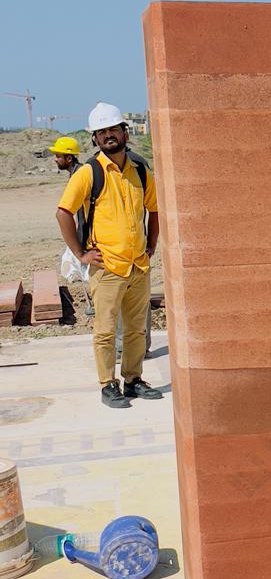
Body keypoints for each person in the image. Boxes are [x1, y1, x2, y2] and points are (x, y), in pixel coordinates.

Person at [55, 102, 163, 408]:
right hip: (106, 267)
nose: (108, 135)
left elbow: (154, 209)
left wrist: (151, 244)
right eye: (101, 132)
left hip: (138, 265)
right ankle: (108, 384)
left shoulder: (140, 170)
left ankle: (133, 380)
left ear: (125, 132)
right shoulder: (89, 173)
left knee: (136, 329)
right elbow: (63, 213)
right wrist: (80, 253)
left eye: (113, 129)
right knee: (105, 331)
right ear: (95, 138)